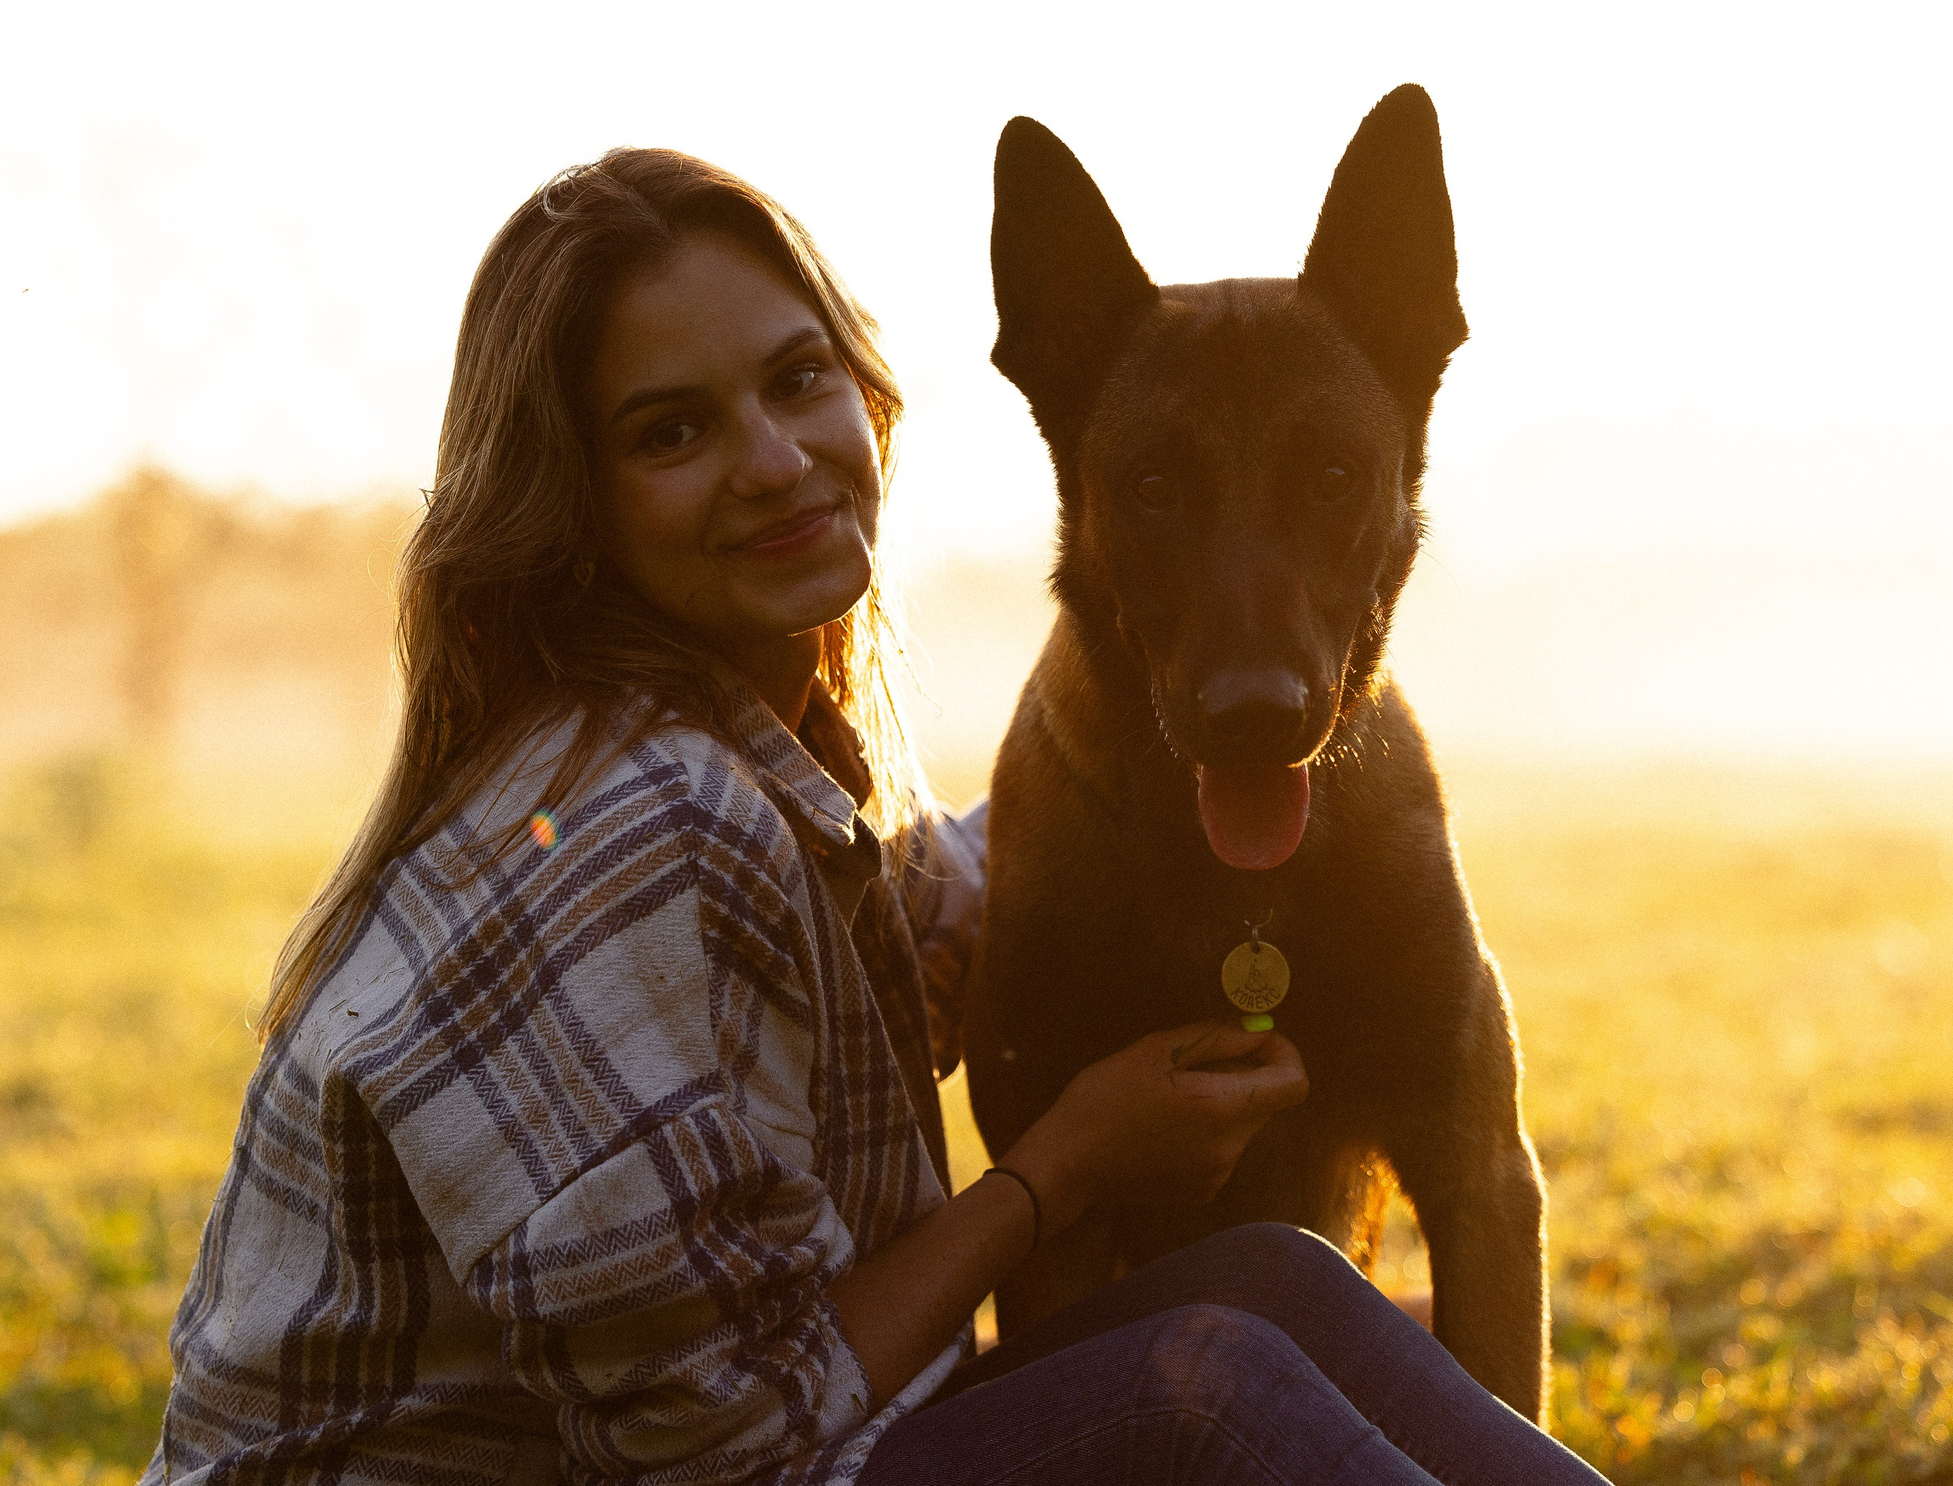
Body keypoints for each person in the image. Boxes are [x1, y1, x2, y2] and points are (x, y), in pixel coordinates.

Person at [142, 149, 1608, 1486]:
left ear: (863, 389)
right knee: (1204, 1369)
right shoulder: (614, 829)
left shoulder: (767, 767)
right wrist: (1061, 1168)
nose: (775, 460)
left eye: (796, 381)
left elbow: (927, 891)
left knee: (1280, 1291)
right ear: (567, 500)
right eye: (670, 433)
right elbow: (723, 1444)